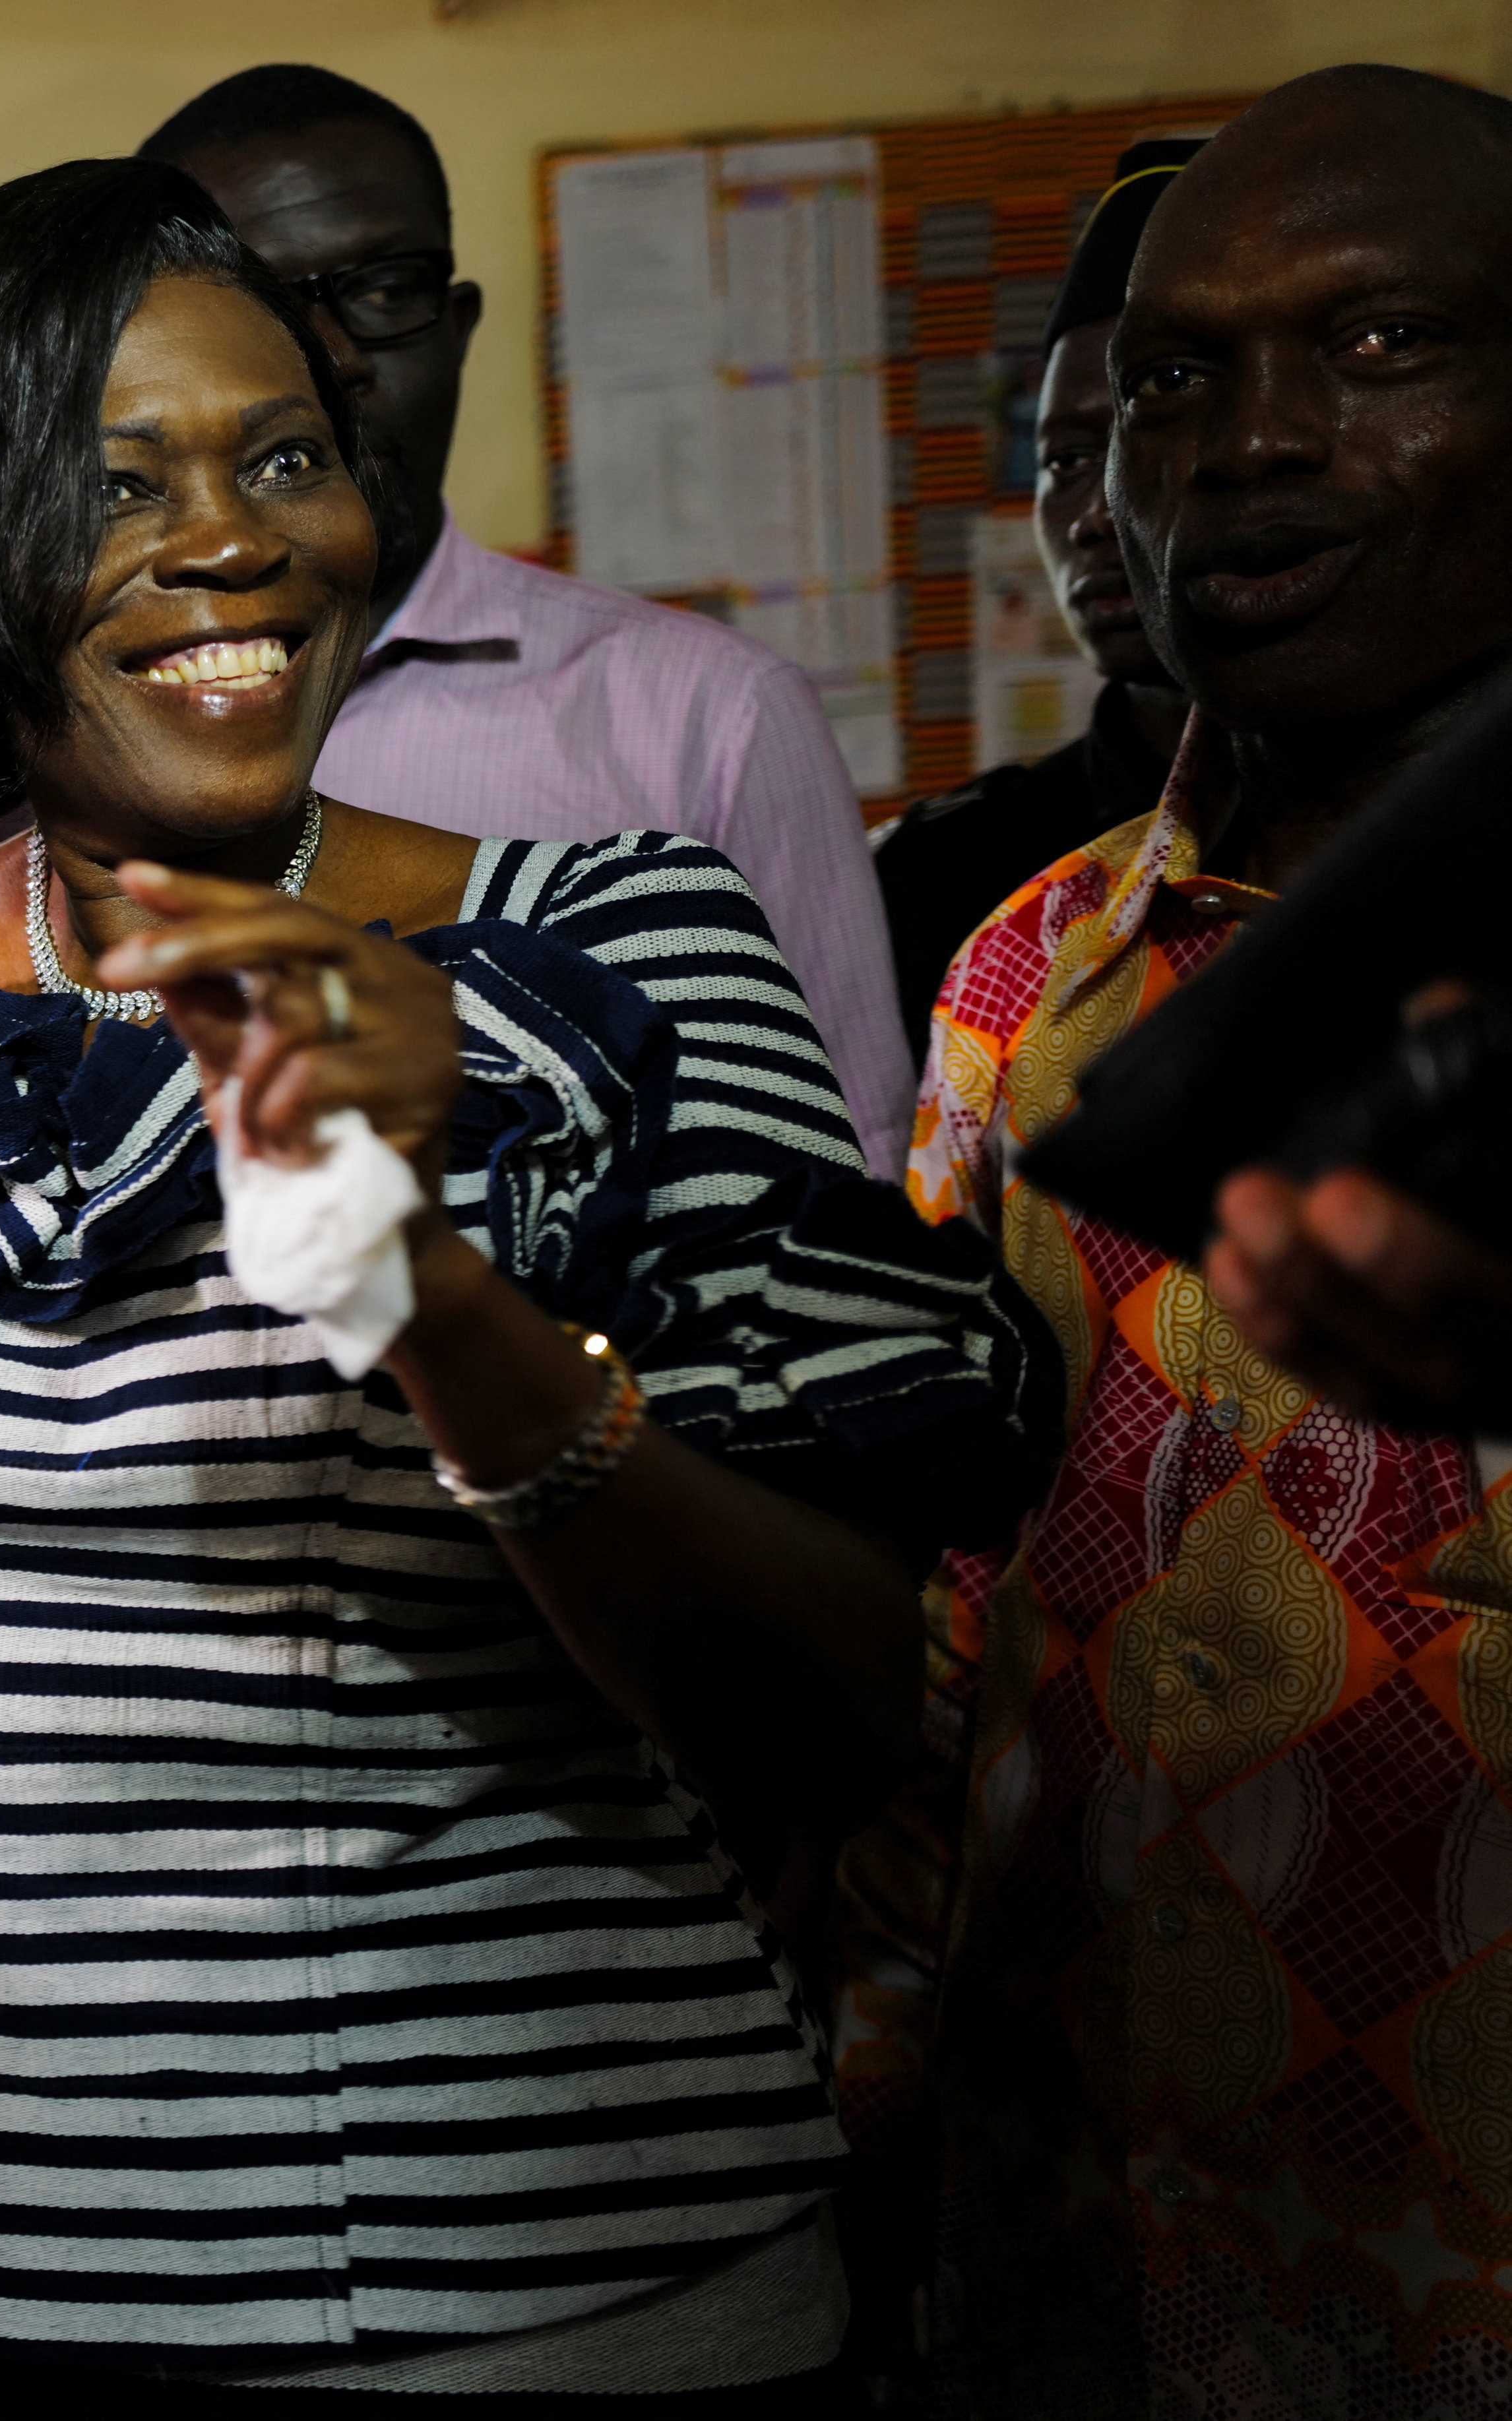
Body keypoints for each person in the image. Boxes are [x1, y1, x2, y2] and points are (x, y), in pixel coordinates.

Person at [0, 158, 1057, 2415]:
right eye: (119, 485)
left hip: (515, 2291)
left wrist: (422, 1288)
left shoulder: (614, 949)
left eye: (285, 457)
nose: (236, 538)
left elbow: (829, 1719)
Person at [895, 66, 1512, 2414]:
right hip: (1071, 2268)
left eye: (1377, 349)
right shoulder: (1023, 980)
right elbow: (942, 1647)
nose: (1248, 443)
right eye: (1175, 378)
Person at [0, 67, 917, 1179]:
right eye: (253, 296)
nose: (331, 355)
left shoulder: (705, 717)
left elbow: (845, 1226)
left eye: (382, 290)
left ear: (458, 325)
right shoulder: (22, 716)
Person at [868, 139, 1207, 1068]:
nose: (1095, 514)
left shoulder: (1432, 819)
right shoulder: (942, 875)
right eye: (1061, 461)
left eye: (1144, 433)